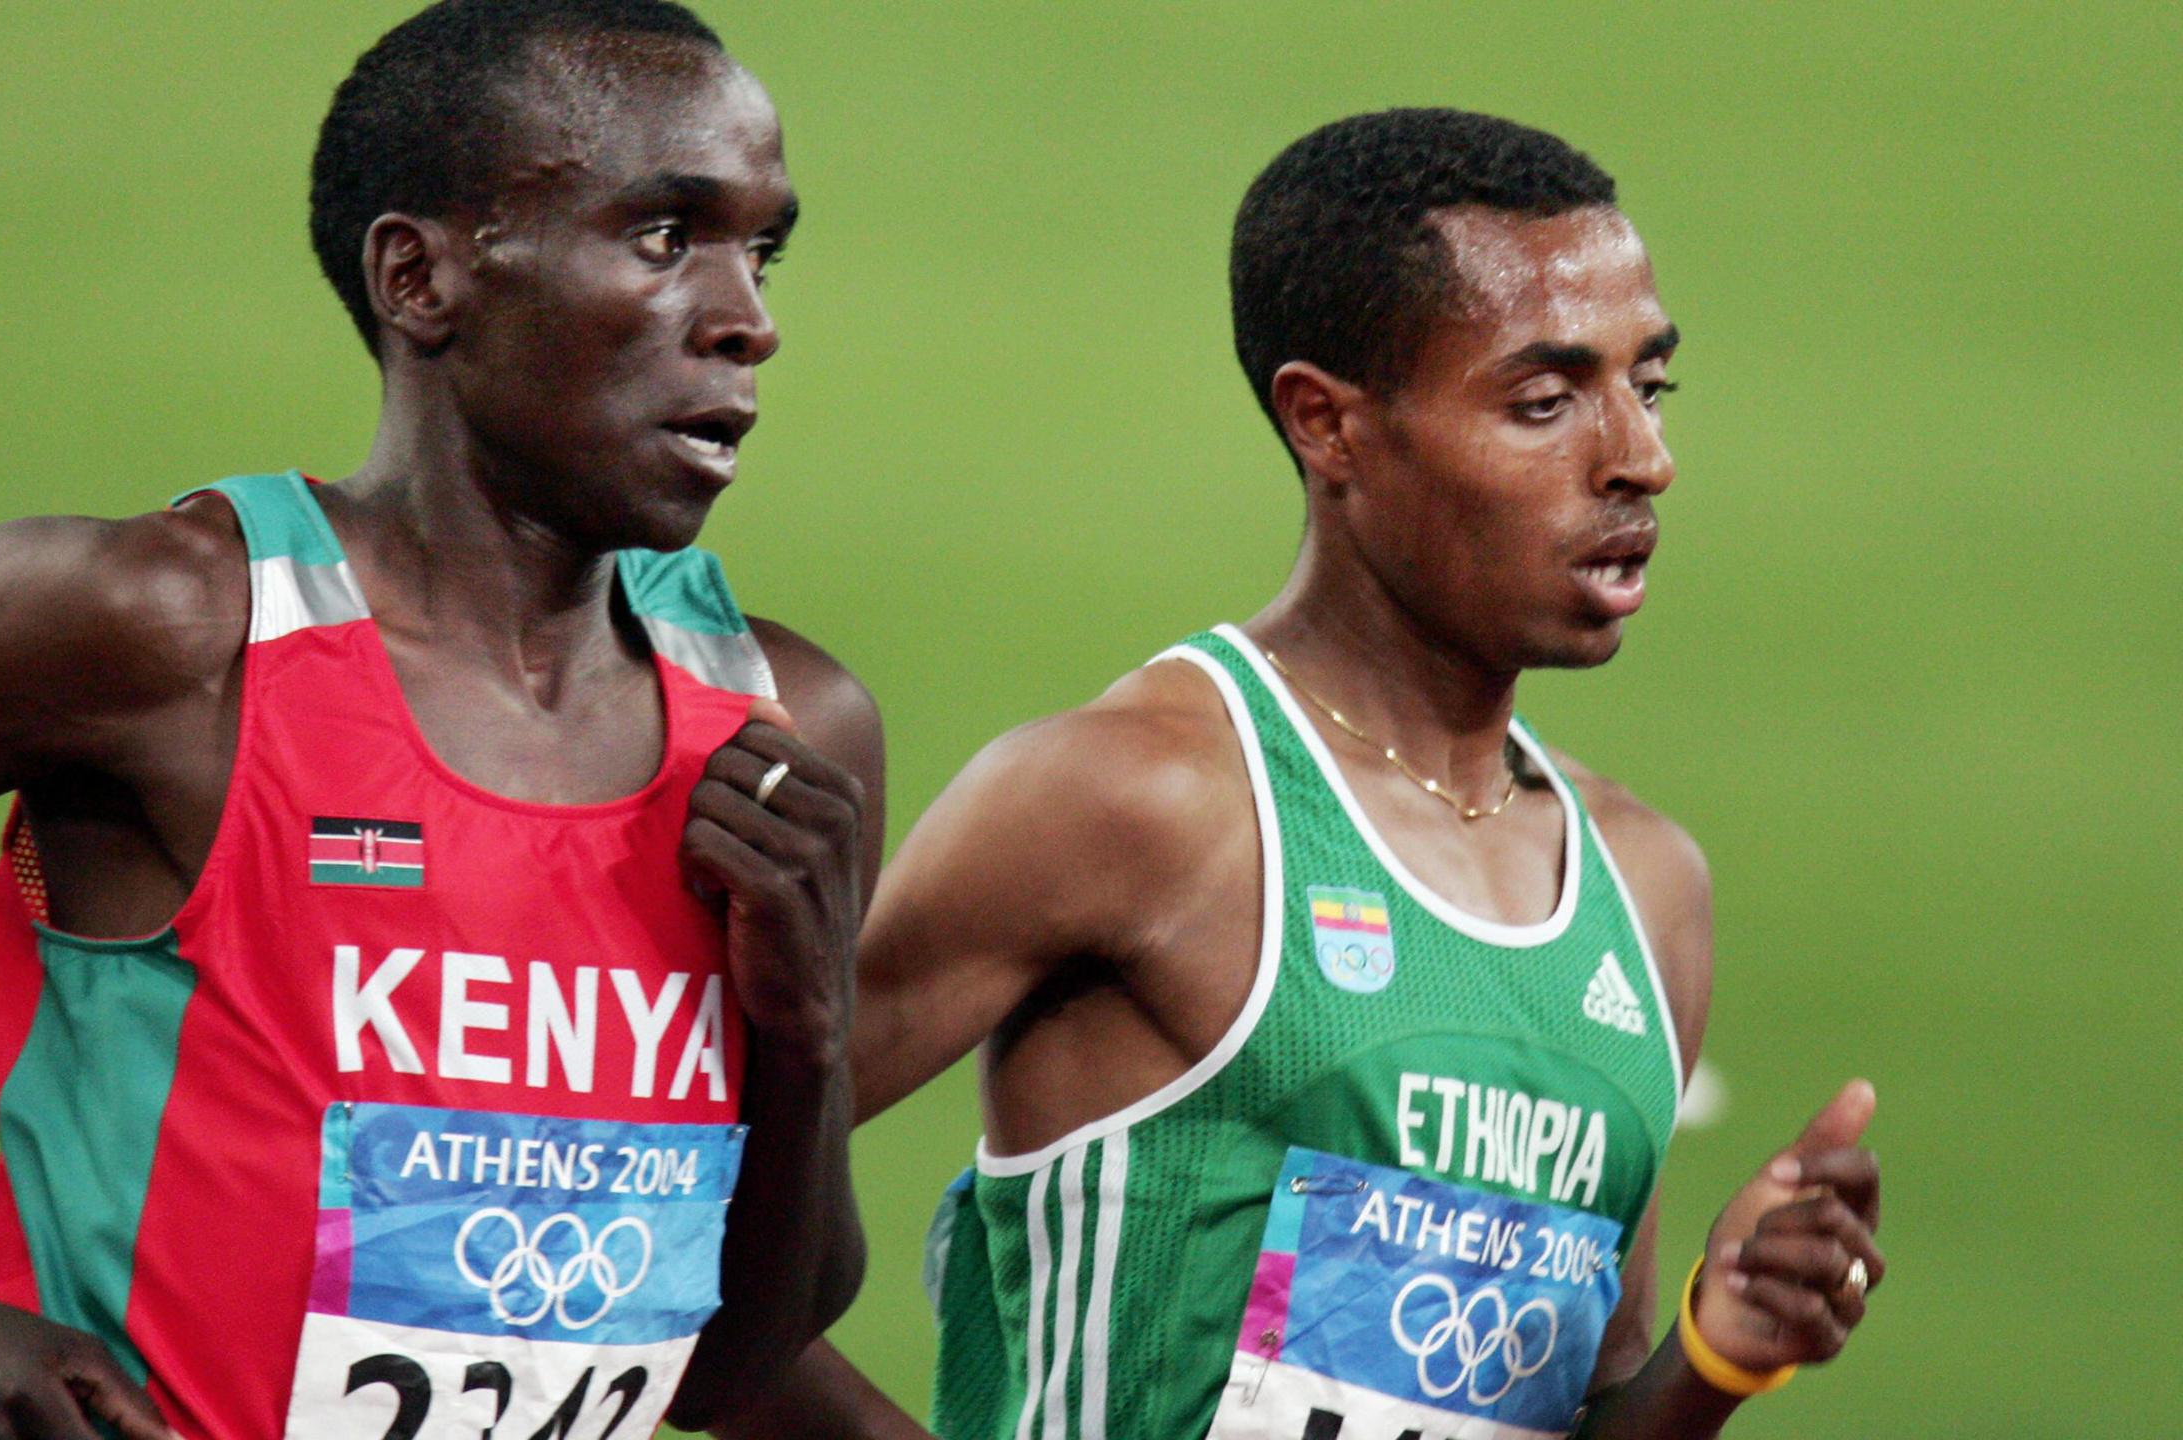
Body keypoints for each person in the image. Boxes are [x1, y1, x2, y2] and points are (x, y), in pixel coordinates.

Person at [0, 2, 880, 1437]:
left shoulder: (786, 737)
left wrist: (807, 1032)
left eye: (761, 248)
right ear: (422, 278)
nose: (749, 319)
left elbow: (716, 1374)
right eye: (667, 237)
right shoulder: (162, 630)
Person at [722, 109, 1884, 1440]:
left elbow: (1590, 1405)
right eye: (1547, 401)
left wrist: (1716, 1352)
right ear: (1326, 424)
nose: (1639, 458)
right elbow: (678, 1229)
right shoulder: (1135, 802)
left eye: (1651, 386)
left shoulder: (1645, 889)